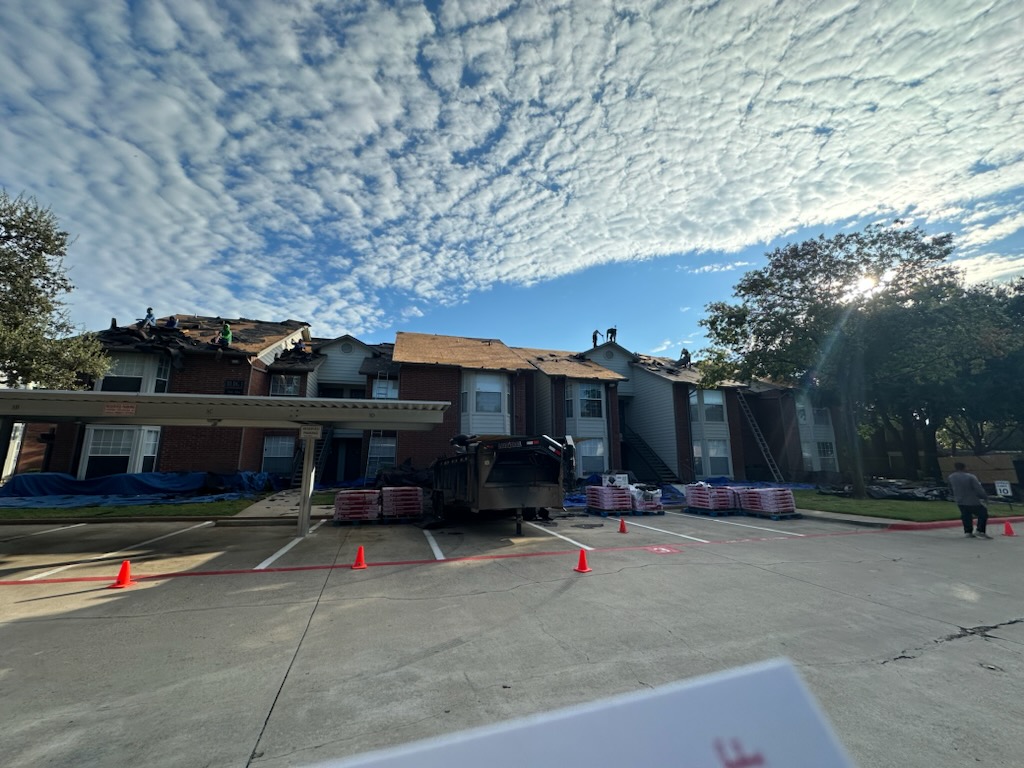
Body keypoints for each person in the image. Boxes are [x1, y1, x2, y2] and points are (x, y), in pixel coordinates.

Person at [948, 462, 990, 538]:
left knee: (966, 515)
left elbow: (950, 488)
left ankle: (968, 532)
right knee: (983, 513)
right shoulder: (970, 477)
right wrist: (984, 496)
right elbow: (978, 489)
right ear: (964, 467)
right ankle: (980, 530)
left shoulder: (951, 477)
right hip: (971, 500)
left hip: (959, 499)